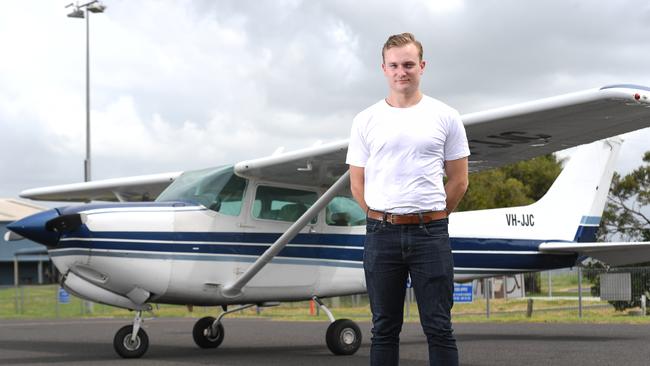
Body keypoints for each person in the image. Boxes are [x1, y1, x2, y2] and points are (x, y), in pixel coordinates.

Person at [346, 33, 469, 366]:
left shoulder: (446, 116)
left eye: (409, 64)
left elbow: (459, 180)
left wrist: (434, 216)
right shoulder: (364, 120)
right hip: (381, 234)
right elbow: (357, 183)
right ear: (384, 69)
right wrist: (376, 216)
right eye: (395, 65)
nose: (402, 71)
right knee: (384, 329)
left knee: (439, 327)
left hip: (430, 234)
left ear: (422, 66)